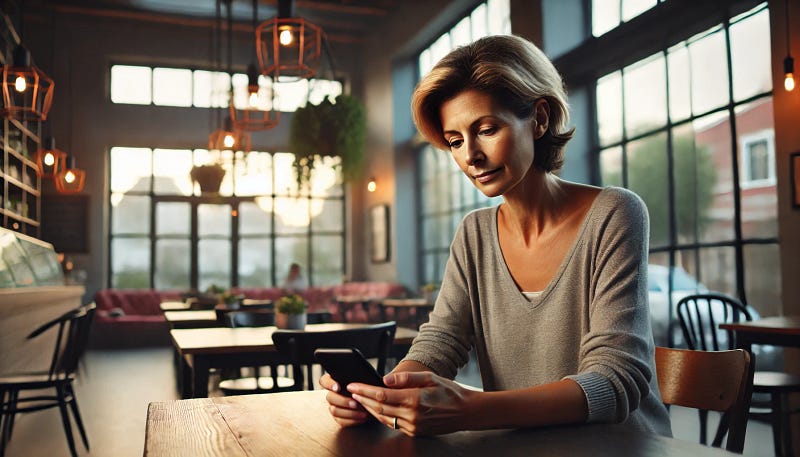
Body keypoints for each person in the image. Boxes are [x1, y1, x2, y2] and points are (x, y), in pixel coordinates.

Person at [319, 34, 672, 437]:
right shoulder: (474, 232)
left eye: (486, 129)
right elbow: (441, 341)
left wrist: (472, 409)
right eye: (454, 141)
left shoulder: (615, 213)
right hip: (519, 447)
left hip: (618, 448)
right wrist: (384, 394)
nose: (470, 156)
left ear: (539, 118)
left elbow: (615, 380)